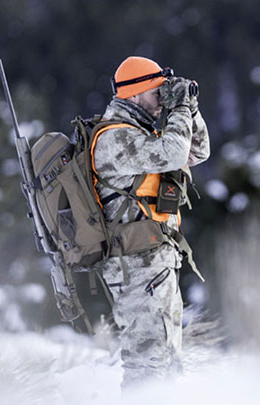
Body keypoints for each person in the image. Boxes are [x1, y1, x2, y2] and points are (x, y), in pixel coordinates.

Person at [90, 56, 209, 385]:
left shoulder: (141, 134)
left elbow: (196, 152)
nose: (162, 98)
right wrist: (180, 110)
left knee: (168, 361)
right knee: (146, 366)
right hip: (136, 267)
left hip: (155, 263)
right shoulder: (114, 139)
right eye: (157, 92)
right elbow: (173, 153)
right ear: (134, 95)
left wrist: (190, 108)